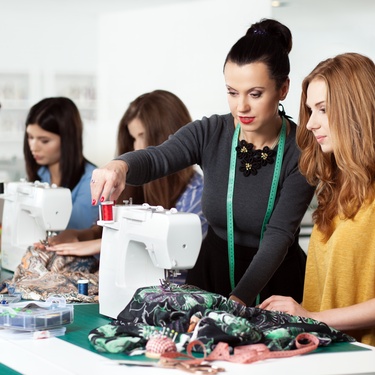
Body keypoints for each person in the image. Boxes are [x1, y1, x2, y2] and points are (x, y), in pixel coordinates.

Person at [89, 18, 315, 307]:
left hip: (276, 286)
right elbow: (158, 157)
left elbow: (279, 236)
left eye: (255, 94)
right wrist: (120, 166)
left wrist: (237, 301)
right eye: (232, 92)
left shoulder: (302, 150)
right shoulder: (211, 132)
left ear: (283, 89)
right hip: (209, 276)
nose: (241, 107)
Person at [259, 52, 375, 346]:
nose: (310, 124)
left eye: (322, 109)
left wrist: (310, 316)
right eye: (310, 110)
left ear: (356, 111)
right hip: (334, 350)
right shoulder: (336, 189)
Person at [42, 90, 207, 258]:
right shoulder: (132, 184)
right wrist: (78, 235)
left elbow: (178, 246)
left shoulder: (197, 195)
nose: (136, 147)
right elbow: (104, 229)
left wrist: (101, 245)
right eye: (133, 138)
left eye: (143, 136)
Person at [24, 96, 98, 230]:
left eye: (44, 140)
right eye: (30, 137)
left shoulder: (91, 181)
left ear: (67, 140)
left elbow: (78, 232)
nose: (33, 147)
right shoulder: (41, 174)